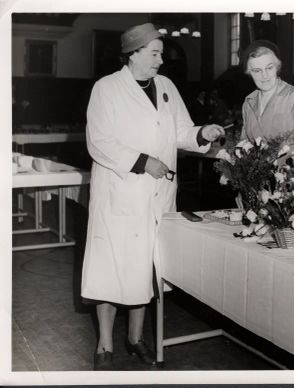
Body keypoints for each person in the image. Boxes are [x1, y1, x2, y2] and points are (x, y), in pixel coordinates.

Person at [80, 22, 224, 371]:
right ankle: (104, 344)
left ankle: (136, 339)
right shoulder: (107, 89)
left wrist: (202, 132)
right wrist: (144, 162)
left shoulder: (166, 87)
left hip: (157, 196)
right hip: (120, 194)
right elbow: (98, 141)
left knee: (144, 268)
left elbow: (180, 132)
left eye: (161, 53)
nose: (161, 60)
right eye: (155, 53)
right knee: (111, 268)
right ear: (133, 54)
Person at [240, 40, 294, 148]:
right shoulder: (249, 102)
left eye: (269, 68)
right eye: (257, 70)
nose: (264, 75)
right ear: (249, 73)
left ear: (277, 67)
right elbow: (244, 144)